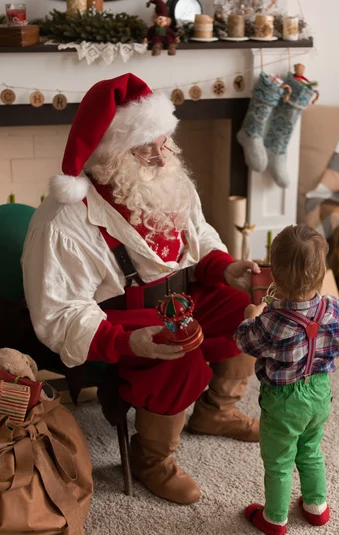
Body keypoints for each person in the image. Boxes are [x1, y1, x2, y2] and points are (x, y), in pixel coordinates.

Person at [22, 73, 261, 506]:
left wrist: (224, 269)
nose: (159, 155)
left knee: (246, 308)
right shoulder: (64, 221)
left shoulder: (171, 179)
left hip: (182, 297)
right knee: (177, 348)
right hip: (116, 317)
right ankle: (152, 460)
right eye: (143, 146)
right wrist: (126, 339)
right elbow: (59, 311)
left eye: (163, 140)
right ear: (111, 154)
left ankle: (215, 411)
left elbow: (199, 235)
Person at [234, 225, 339, 535]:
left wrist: (250, 316)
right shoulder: (334, 308)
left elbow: (244, 343)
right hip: (319, 393)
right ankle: (317, 506)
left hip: (284, 400)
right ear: (322, 271)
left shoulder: (270, 322)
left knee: (279, 459)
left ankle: (274, 518)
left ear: (273, 273)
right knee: (311, 448)